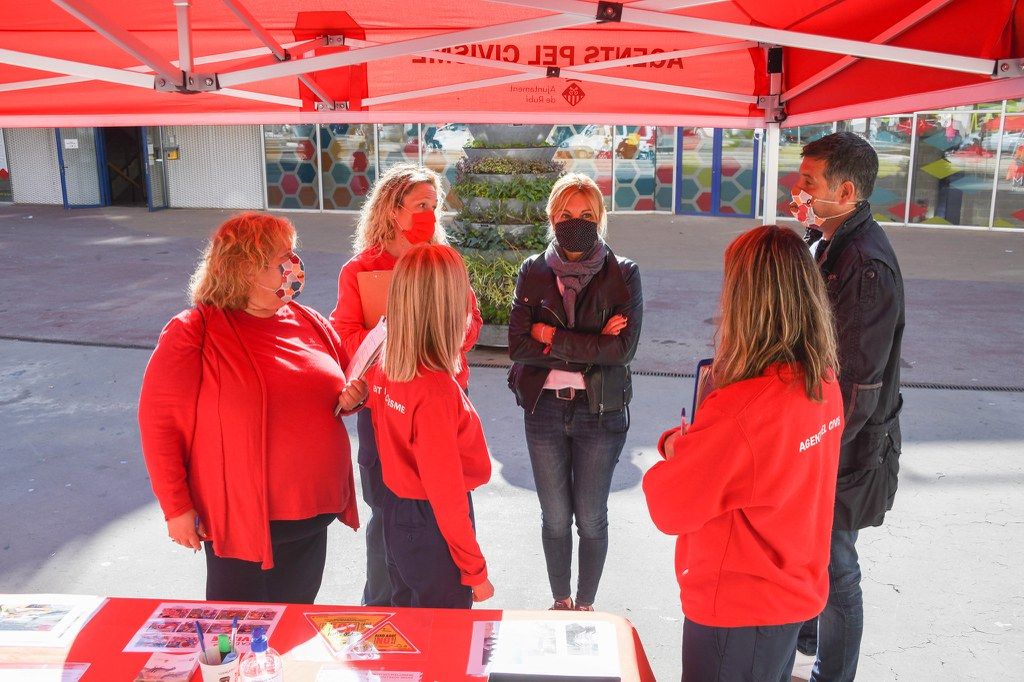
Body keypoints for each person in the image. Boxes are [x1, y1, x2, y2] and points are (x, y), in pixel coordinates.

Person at [644, 225, 844, 682]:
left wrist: (677, 446)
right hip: (790, 592)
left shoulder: (745, 409)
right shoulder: (822, 381)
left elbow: (668, 505)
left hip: (738, 609)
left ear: (746, 300)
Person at [138, 212, 367, 603]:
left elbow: (338, 387)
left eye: (292, 254)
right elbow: (160, 426)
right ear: (242, 269)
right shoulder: (195, 330)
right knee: (238, 634)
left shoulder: (308, 321)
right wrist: (176, 508)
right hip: (242, 522)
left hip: (312, 513)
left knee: (293, 628)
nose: (292, 266)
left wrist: (353, 397)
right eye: (279, 258)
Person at [329, 163, 483, 607]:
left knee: (447, 500)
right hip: (386, 406)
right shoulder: (361, 269)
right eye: (420, 205)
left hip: (441, 400)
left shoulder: (444, 262)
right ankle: (380, 605)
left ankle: (448, 591)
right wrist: (396, 348)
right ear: (392, 210)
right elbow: (346, 337)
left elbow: (471, 323)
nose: (429, 215)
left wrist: (441, 334)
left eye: (434, 206)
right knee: (387, 509)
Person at [790, 131, 906, 682]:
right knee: (814, 560)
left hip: (843, 450)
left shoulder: (864, 265)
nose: (799, 188)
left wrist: (816, 446)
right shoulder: (827, 241)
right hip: (819, 438)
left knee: (838, 570)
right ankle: (806, 639)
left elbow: (858, 382)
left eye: (809, 181)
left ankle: (830, 675)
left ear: (847, 189)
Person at [507, 173, 643, 612]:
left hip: (599, 412)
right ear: (551, 217)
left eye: (586, 215)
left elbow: (621, 350)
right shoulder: (533, 270)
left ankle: (585, 603)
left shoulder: (623, 274)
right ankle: (560, 600)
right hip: (543, 409)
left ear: (601, 218)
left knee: (590, 517)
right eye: (566, 214)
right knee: (553, 517)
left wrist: (553, 335)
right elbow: (518, 345)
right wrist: (592, 342)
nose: (575, 223)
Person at [366, 243, 494, 608]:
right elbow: (446, 493)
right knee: (443, 637)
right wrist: (475, 570)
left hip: (398, 512)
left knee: (408, 622)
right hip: (432, 526)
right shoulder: (435, 390)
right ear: (451, 309)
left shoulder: (388, 367)